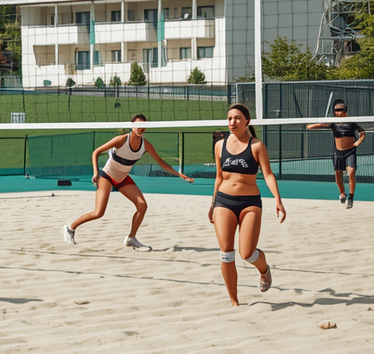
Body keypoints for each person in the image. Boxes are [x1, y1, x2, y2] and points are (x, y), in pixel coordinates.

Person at [63, 114, 194, 250]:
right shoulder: (121, 140)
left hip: (123, 178)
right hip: (107, 176)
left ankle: (131, 238)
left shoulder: (146, 145)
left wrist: (180, 175)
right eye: (137, 125)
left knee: (142, 205)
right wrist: (96, 173)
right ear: (132, 126)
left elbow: (162, 163)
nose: (140, 128)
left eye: (143, 126)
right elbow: (95, 152)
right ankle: (70, 228)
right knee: (99, 212)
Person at [210, 104, 286, 305]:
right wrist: (212, 203)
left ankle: (264, 269)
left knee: (247, 253)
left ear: (247, 121)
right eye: (229, 118)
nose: (232, 122)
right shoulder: (219, 145)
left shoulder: (256, 145)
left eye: (236, 118)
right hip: (223, 202)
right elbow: (218, 177)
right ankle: (234, 301)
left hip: (249, 203)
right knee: (226, 252)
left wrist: (278, 199)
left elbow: (268, 174)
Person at [307, 99, 364, 208]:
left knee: (351, 172)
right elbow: (322, 124)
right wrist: (311, 126)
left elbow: (362, 132)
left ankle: (351, 197)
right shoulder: (333, 122)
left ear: (345, 110)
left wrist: (358, 142)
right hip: (338, 153)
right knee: (338, 175)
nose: (338, 112)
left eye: (340, 110)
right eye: (336, 110)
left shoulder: (351, 122)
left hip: (350, 151)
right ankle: (342, 193)